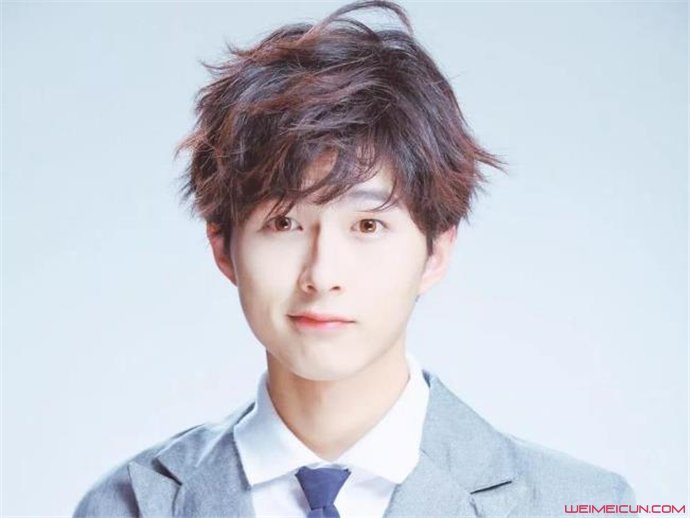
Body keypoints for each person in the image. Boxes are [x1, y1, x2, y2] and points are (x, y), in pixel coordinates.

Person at [74, 1, 637, 516]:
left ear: (436, 250)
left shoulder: (581, 504)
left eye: (368, 225)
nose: (322, 276)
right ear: (222, 245)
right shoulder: (129, 506)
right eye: (284, 223)